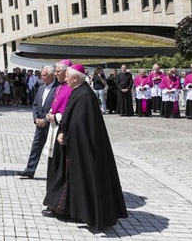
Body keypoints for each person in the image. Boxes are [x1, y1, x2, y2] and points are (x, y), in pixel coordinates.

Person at [42, 64, 128, 230]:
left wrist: (65, 135)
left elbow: (79, 123)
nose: (65, 79)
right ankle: (66, 209)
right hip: (74, 146)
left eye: (67, 76)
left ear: (74, 78)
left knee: (76, 180)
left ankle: (77, 212)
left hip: (80, 148)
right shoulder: (79, 91)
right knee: (69, 179)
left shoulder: (85, 95)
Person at [18, 66, 59, 179]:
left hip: (51, 125)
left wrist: (46, 120)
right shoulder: (40, 88)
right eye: (41, 75)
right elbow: (35, 105)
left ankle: (55, 174)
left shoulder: (58, 89)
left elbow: (58, 108)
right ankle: (30, 170)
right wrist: (36, 119)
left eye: (44, 75)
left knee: (54, 150)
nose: (42, 77)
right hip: (39, 124)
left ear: (52, 75)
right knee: (35, 147)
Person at [42, 59, 73, 190]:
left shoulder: (71, 88)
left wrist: (55, 116)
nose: (56, 74)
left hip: (62, 128)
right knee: (52, 161)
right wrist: (50, 113)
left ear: (67, 72)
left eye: (58, 71)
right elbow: (55, 104)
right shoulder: (59, 86)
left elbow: (69, 110)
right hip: (53, 126)